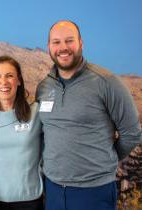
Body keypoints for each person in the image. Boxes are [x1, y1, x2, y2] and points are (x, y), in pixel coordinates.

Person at [35, 20, 142, 210]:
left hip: (94, 191)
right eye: (56, 42)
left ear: (81, 43)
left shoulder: (106, 82)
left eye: (69, 41)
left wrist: (104, 160)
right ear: (49, 47)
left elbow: (132, 132)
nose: (63, 48)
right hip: (53, 190)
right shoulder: (44, 87)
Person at [0, 55, 43, 210]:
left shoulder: (37, 112)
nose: (3, 82)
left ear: (19, 80)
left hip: (29, 200)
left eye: (9, 76)